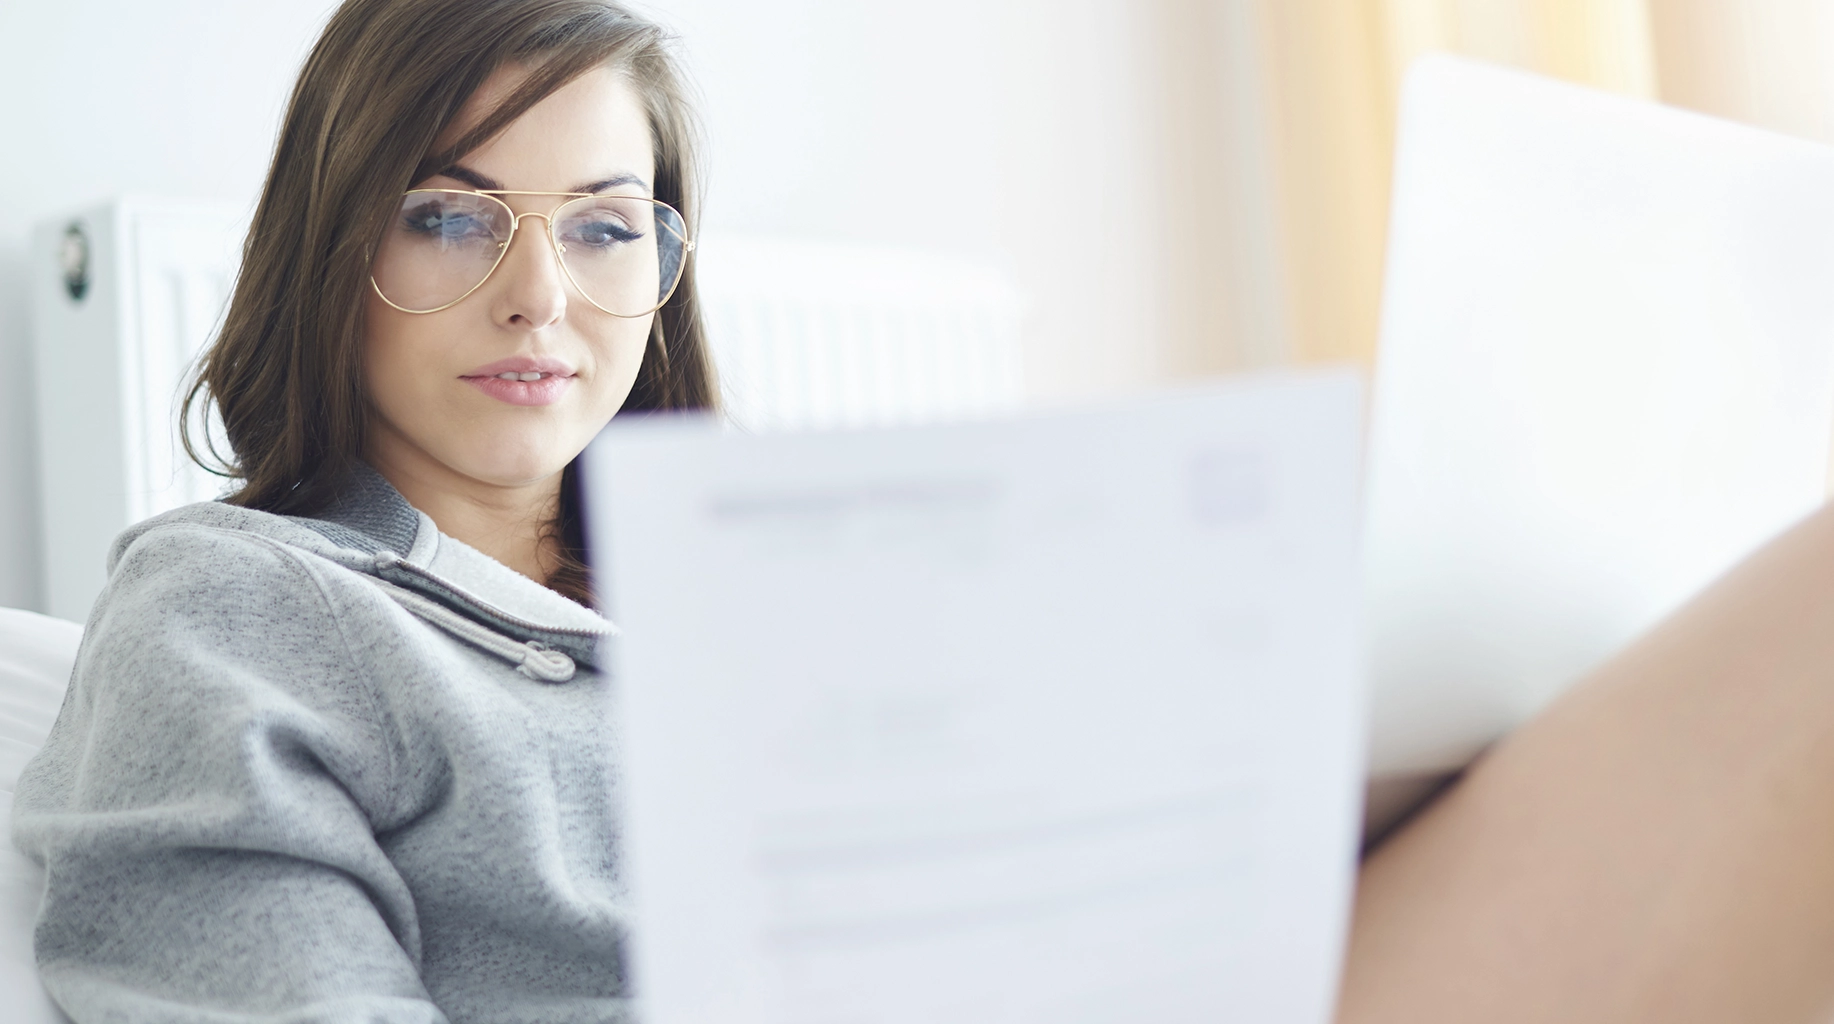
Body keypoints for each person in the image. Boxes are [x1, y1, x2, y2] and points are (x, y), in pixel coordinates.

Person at [14, 1, 1834, 1023]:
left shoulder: (761, 608)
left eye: (600, 220)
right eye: (448, 211)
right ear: (333, 247)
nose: (539, 295)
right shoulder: (232, 611)